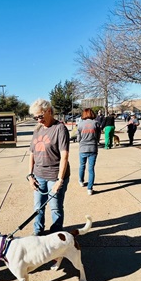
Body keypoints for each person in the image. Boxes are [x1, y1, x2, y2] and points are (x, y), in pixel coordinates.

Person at [27, 98, 70, 236]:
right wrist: (30, 175)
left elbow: (64, 156)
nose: (39, 120)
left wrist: (59, 180)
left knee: (55, 208)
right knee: (38, 207)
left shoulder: (60, 129)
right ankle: (37, 232)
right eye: (35, 117)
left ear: (49, 111)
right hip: (39, 175)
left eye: (40, 116)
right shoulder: (38, 129)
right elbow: (32, 154)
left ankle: (56, 235)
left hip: (54, 175)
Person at [77, 108, 101, 195]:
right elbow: (98, 136)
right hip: (93, 148)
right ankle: (90, 189)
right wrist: (96, 141)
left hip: (83, 148)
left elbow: (78, 138)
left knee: (82, 165)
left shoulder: (80, 124)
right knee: (91, 169)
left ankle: (81, 181)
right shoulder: (96, 123)